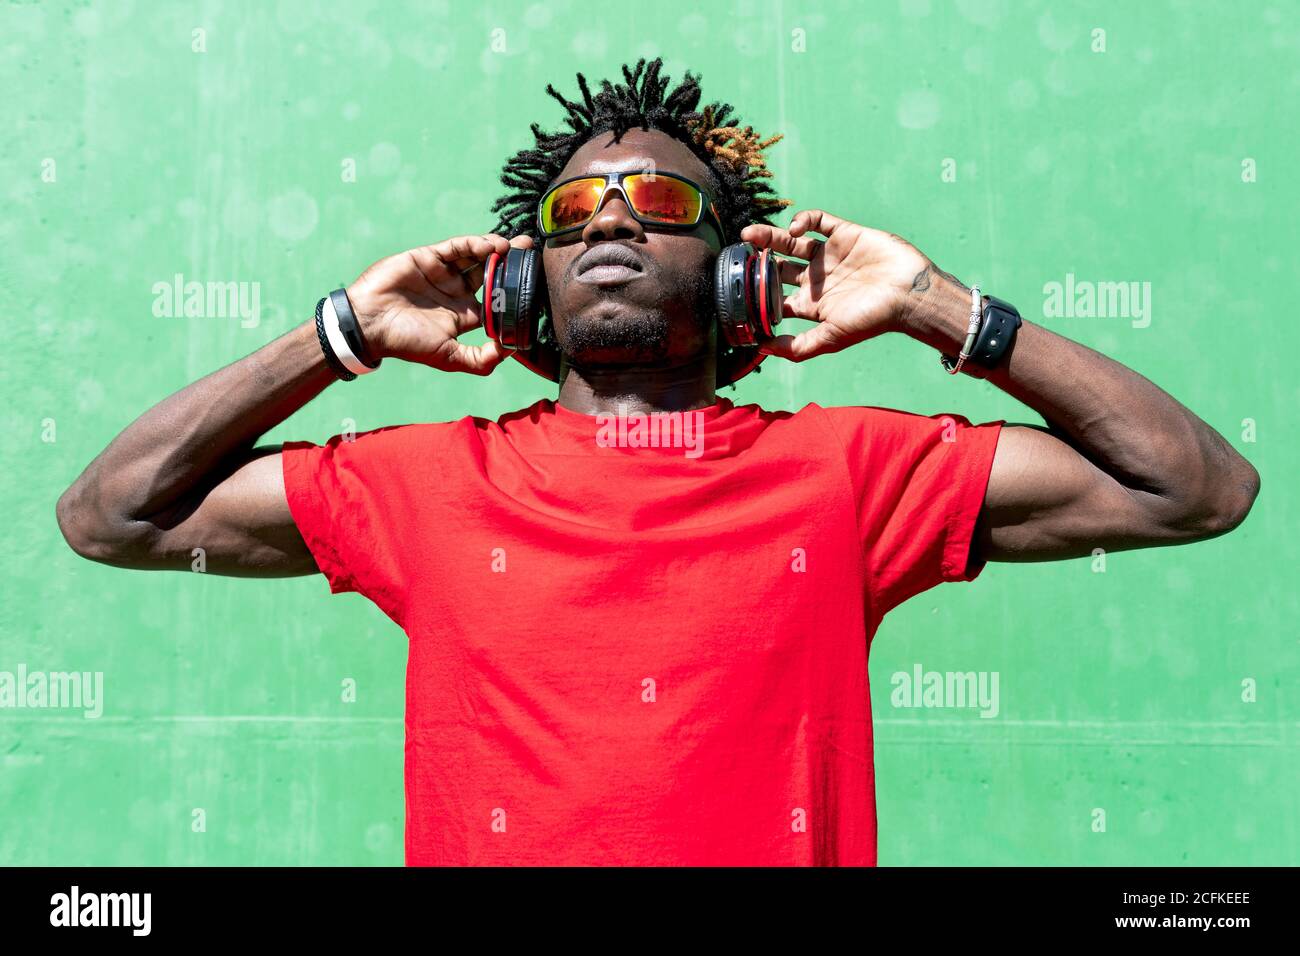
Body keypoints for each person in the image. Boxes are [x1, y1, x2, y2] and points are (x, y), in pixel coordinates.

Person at [55, 58, 1259, 866]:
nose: (612, 224)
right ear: (519, 284)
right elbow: (111, 514)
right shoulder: (420, 484)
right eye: (571, 218)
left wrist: (938, 306)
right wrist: (339, 336)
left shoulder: (851, 472)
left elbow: (1198, 487)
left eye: (656, 203)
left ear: (740, 274)